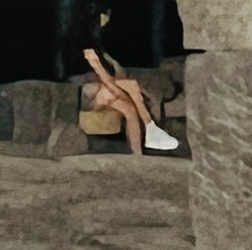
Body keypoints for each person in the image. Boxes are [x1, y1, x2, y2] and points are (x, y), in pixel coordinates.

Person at [75, 9, 181, 155]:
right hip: (86, 95)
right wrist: (114, 82)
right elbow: (98, 74)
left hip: (103, 90)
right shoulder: (83, 46)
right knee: (131, 85)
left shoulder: (101, 48)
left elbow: (112, 74)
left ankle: (137, 154)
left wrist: (114, 72)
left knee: (130, 109)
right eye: (103, 18)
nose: (105, 22)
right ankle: (150, 125)